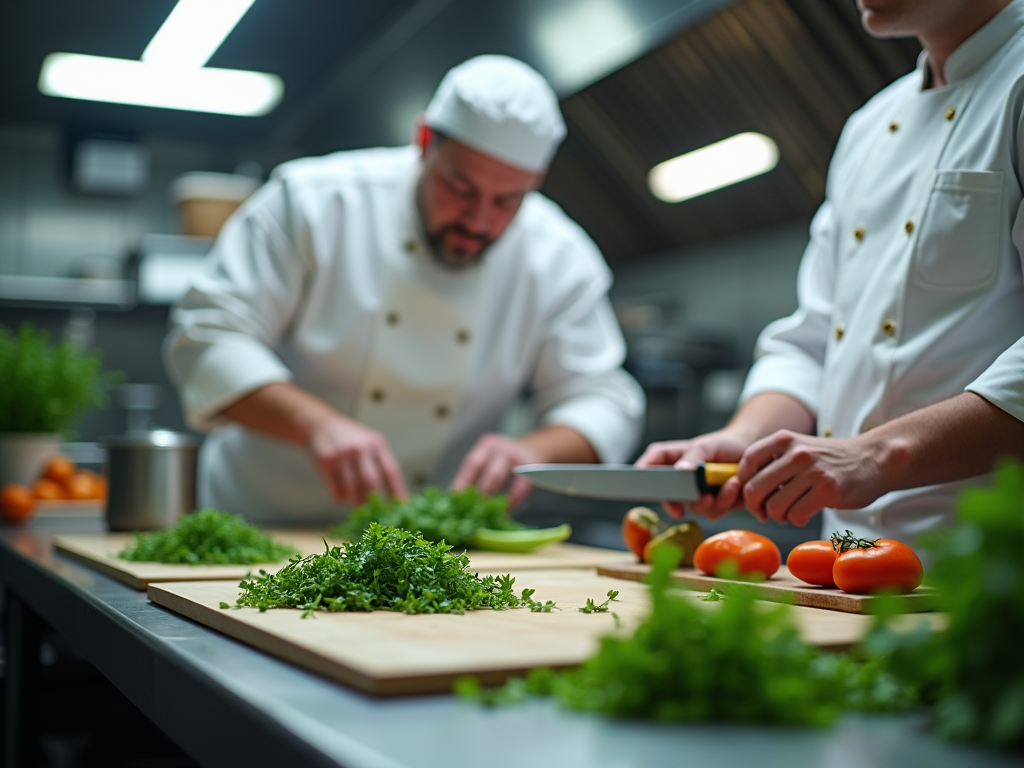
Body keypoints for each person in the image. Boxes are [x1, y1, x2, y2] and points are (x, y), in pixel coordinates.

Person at [165, 55, 644, 524]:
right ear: (423, 141)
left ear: (535, 183)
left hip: (422, 552)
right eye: (460, 187)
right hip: (260, 525)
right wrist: (316, 424)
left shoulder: (557, 256)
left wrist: (531, 450)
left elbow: (603, 399)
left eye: (507, 200)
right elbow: (209, 337)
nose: (479, 221)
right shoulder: (314, 203)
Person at [637, 0, 1024, 543]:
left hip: (993, 569)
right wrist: (744, 437)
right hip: (844, 564)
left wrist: (875, 457)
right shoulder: (867, 130)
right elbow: (813, 342)